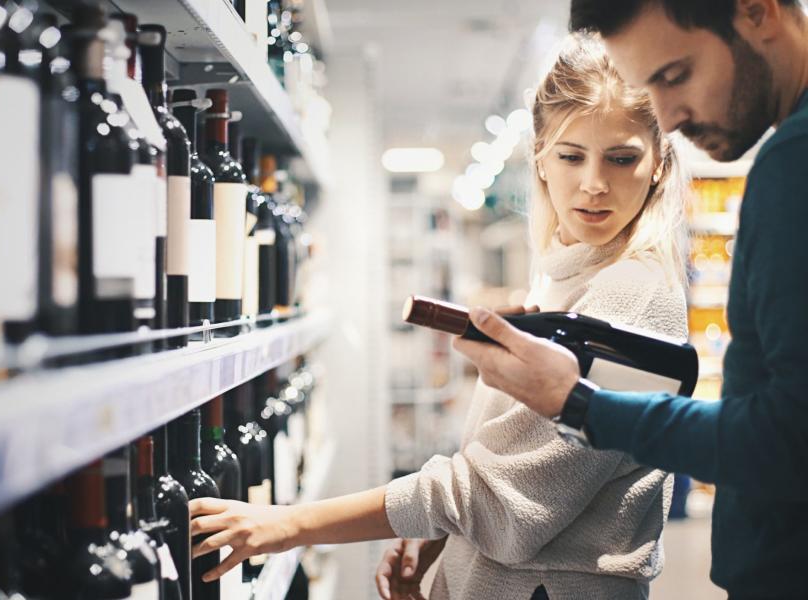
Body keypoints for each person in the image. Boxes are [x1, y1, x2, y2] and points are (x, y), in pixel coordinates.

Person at [188, 36, 691, 600]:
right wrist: (438, 537)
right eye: (572, 156)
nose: (594, 183)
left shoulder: (634, 296)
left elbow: (509, 500)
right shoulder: (564, 274)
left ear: (658, 165)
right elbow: (512, 462)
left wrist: (288, 524)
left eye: (621, 158)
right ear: (542, 161)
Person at [450, 1, 808, 598]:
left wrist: (582, 404)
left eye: (674, 76)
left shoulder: (794, 165)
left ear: (757, 12)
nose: (665, 119)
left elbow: (789, 434)